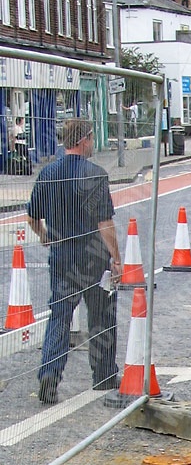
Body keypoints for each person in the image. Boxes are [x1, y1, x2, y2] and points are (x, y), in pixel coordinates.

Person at [26, 118, 123, 405]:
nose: (92, 144)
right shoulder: (96, 174)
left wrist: (44, 236)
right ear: (83, 140)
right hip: (93, 256)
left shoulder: (47, 174)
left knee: (59, 316)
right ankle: (104, 375)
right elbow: (105, 223)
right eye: (92, 139)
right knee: (101, 315)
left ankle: (50, 375)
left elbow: (32, 217)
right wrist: (116, 259)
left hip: (61, 256)